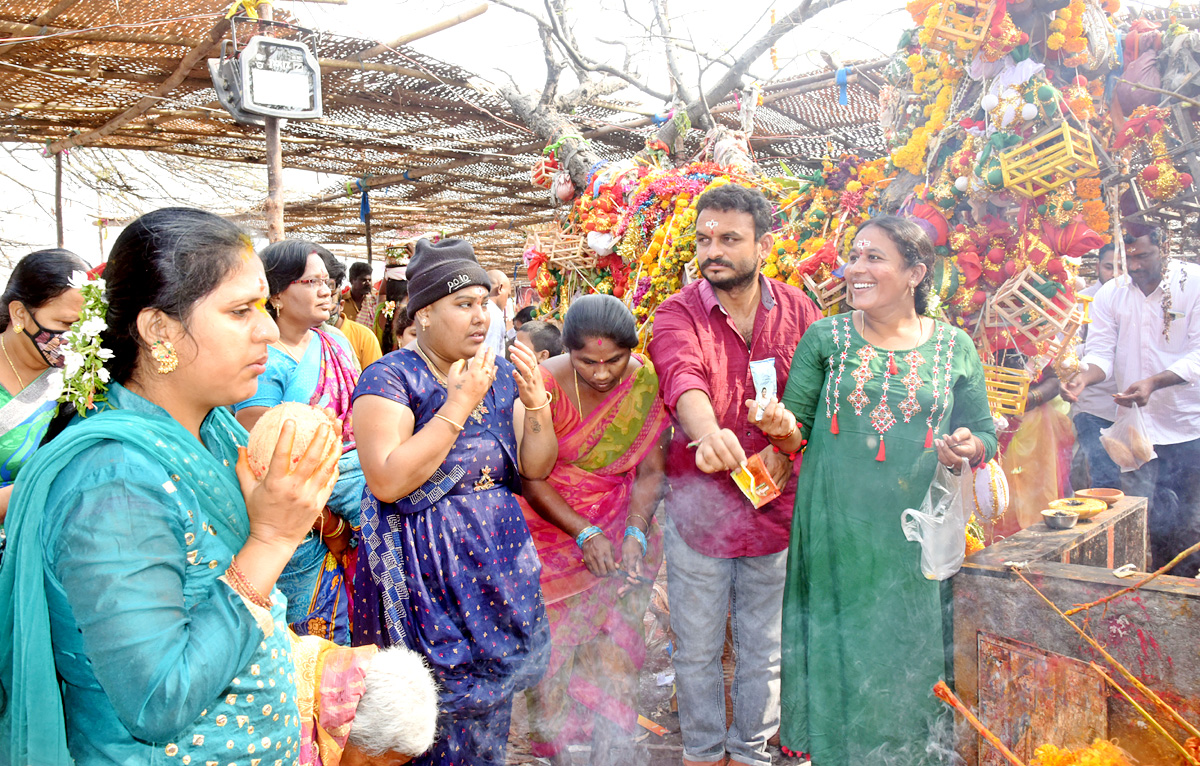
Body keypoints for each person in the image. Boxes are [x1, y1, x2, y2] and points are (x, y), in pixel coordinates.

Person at [0, 207, 344, 764]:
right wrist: (272, 541)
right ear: (159, 329)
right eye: (240, 311)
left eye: (262, 306)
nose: (266, 329)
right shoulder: (114, 484)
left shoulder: (212, 430)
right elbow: (158, 699)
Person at [755, 215, 997, 765]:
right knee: (840, 645)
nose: (856, 269)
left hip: (915, 537)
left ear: (915, 271)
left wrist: (969, 445)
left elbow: (984, 431)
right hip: (836, 529)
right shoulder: (826, 337)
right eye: (854, 255)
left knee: (909, 652)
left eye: (874, 258)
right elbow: (797, 434)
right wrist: (778, 427)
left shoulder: (954, 347)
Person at [350, 237, 556, 766]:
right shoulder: (391, 376)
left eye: (485, 302)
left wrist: (536, 407)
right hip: (425, 568)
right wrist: (459, 402)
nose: (480, 316)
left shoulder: (499, 376)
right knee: (425, 718)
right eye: (463, 304)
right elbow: (388, 480)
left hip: (496, 560)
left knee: (491, 709)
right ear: (421, 315)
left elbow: (535, 467)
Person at [647, 183, 821, 766]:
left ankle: (750, 753)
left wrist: (788, 436)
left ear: (762, 244)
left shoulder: (800, 311)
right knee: (695, 648)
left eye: (728, 239)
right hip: (702, 512)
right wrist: (707, 432)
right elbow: (681, 376)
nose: (711, 251)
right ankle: (701, 753)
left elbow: (818, 400)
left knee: (764, 649)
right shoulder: (677, 313)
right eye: (703, 239)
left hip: (776, 509)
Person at [519, 294, 670, 766]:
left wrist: (636, 533)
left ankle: (612, 748)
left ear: (633, 350)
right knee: (553, 653)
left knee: (619, 644)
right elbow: (531, 477)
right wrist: (585, 533)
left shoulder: (645, 382)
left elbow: (650, 472)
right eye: (588, 361)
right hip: (551, 532)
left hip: (624, 525)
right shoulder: (541, 385)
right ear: (566, 350)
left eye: (615, 360)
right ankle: (556, 753)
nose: (603, 373)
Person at [234, 239, 366, 644]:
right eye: (312, 281)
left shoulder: (336, 342)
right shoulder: (262, 359)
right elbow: (266, 446)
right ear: (276, 294)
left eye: (327, 281)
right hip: (305, 514)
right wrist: (330, 522)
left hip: (357, 475)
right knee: (323, 637)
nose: (327, 290)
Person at [1062, 227, 1200, 577]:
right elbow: (1101, 351)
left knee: (1189, 522)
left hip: (1186, 426)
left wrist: (1154, 382)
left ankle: (1185, 598)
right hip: (1137, 430)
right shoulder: (1113, 292)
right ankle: (1158, 594)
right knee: (1151, 518)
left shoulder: (1193, 283)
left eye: (1143, 256)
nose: (1135, 267)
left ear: (1164, 247)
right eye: (1129, 258)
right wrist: (1084, 377)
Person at [0, 248, 87, 525]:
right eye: (65, 323)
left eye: (85, 325)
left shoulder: (85, 378)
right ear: (20, 314)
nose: (75, 338)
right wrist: (52, 486)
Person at [1070, 243, 1120, 490]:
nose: (1114, 274)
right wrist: (1088, 352)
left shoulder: (1134, 298)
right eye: (1109, 267)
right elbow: (1065, 350)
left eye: (1120, 268)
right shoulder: (1080, 301)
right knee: (1104, 478)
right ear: (1098, 266)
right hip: (1093, 404)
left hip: (1132, 404)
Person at [326, 253, 383, 371]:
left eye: (369, 280)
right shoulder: (342, 302)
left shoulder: (374, 302)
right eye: (363, 280)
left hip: (368, 351)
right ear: (352, 280)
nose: (368, 283)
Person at [484, 268, 511, 357]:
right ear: (500, 288)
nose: (507, 301)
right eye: (508, 295)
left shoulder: (481, 309)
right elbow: (491, 355)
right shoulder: (494, 314)